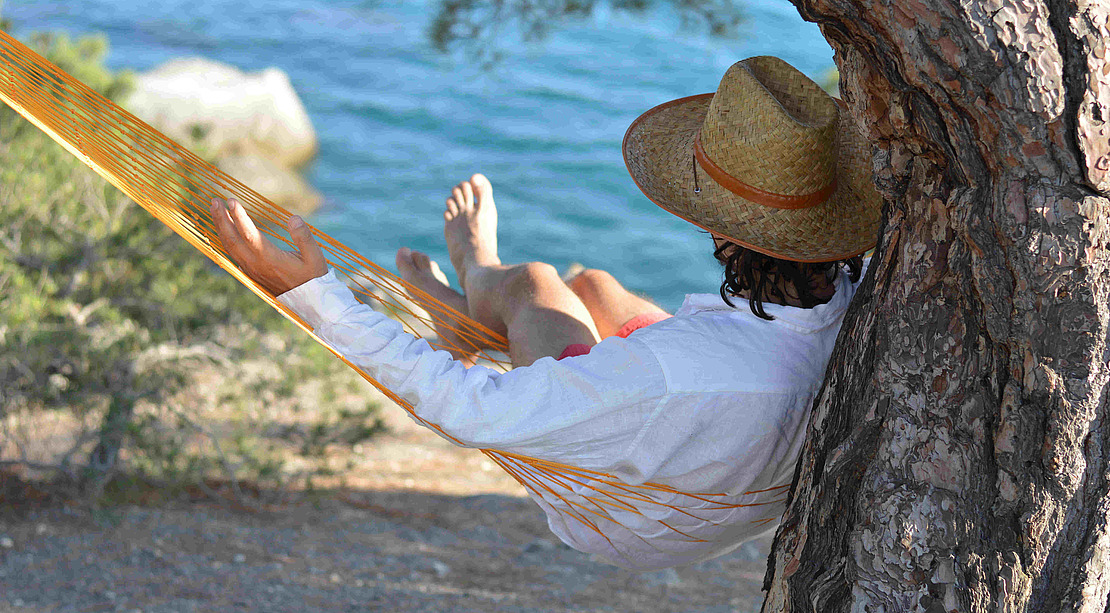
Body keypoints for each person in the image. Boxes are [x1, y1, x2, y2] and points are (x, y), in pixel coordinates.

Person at [209, 56, 881, 570]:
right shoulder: (859, 294)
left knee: (534, 282)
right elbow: (687, 367)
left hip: (627, 511)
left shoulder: (672, 372)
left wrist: (312, 293)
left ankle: (478, 278)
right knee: (595, 288)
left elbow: (467, 407)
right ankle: (470, 306)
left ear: (723, 228)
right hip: (727, 477)